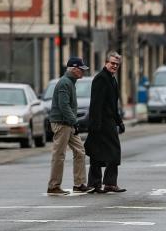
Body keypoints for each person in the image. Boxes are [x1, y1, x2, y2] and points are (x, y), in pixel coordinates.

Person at [46, 57, 91, 195]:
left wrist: (72, 122)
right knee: (59, 155)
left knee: (80, 151)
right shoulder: (65, 83)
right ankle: (53, 186)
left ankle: (79, 184)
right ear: (74, 69)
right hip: (61, 123)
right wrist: (74, 121)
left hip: (68, 123)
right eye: (81, 69)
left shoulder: (71, 82)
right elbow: (63, 105)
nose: (83, 72)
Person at [85, 51, 126, 194]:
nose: (114, 66)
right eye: (112, 63)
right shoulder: (101, 79)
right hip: (101, 122)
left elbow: (113, 105)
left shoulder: (112, 79)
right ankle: (98, 183)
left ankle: (105, 183)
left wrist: (119, 121)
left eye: (117, 64)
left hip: (109, 121)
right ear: (106, 63)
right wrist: (95, 125)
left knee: (106, 152)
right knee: (105, 152)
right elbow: (96, 104)